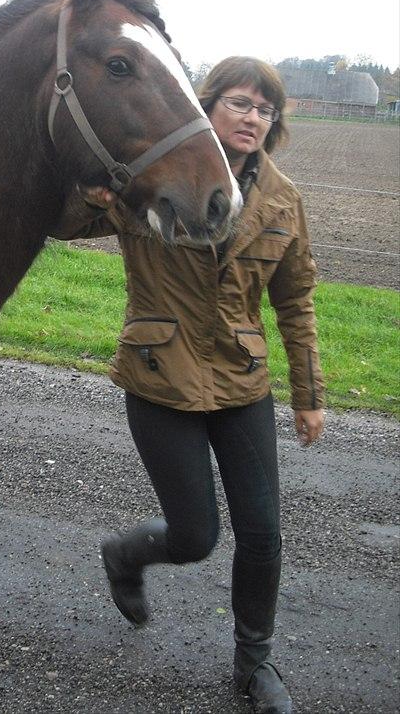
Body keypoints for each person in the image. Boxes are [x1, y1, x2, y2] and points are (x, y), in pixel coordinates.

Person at [52, 56, 325, 714]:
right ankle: (125, 555)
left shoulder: (283, 199)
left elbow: (297, 303)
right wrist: (90, 191)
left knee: (263, 536)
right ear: (206, 106)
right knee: (195, 535)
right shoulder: (148, 180)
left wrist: (309, 395)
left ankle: (254, 665)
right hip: (159, 382)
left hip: (242, 382)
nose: (254, 117)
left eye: (265, 110)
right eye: (241, 103)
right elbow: (64, 223)